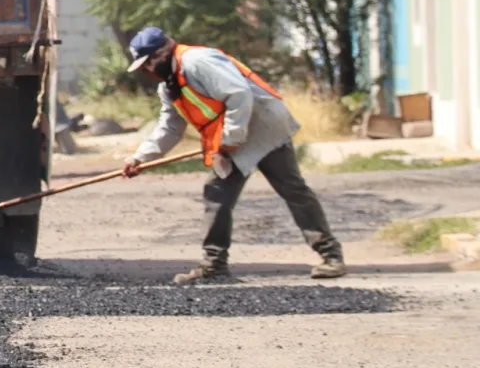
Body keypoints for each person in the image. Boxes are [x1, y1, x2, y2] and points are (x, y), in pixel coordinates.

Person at [123, 27, 347, 284]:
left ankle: (331, 258)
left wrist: (230, 139)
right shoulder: (170, 86)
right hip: (235, 136)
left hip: (262, 127)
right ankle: (214, 265)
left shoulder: (197, 62)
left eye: (146, 65)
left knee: (292, 190)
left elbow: (239, 94)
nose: (145, 72)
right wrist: (140, 158)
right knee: (218, 193)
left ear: (161, 54)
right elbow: (171, 127)